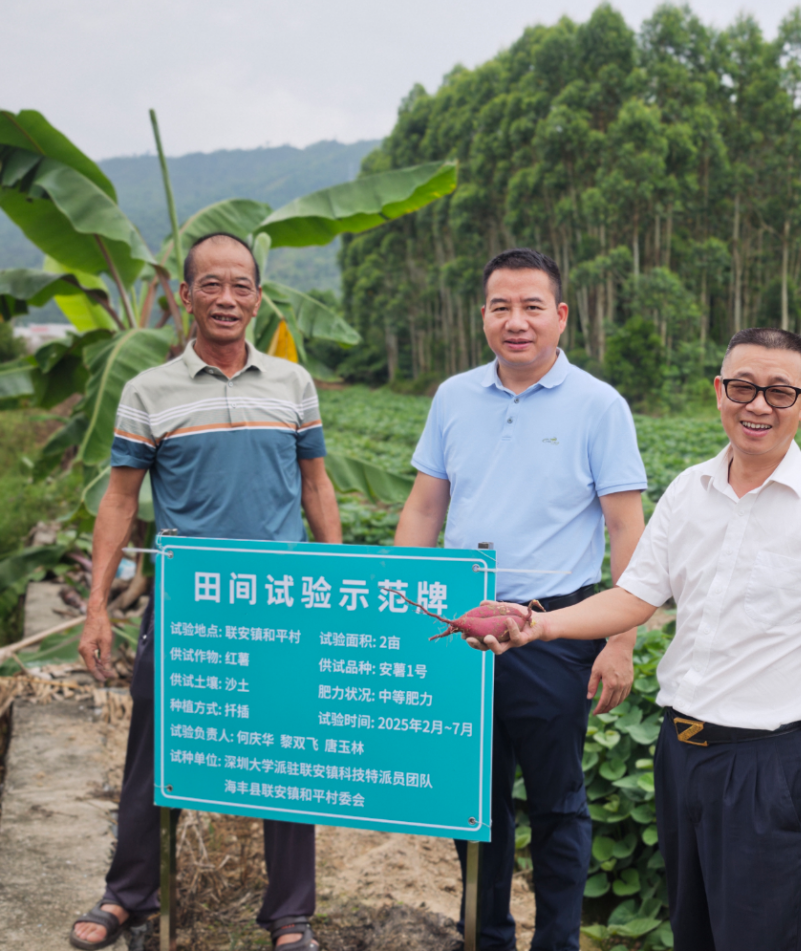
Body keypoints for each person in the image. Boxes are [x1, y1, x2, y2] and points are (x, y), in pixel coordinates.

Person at [465, 327, 801, 951]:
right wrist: (542, 623)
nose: (758, 406)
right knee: (693, 933)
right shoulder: (688, 491)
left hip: (766, 768)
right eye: (743, 387)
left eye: (779, 392)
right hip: (680, 754)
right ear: (718, 391)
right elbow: (635, 597)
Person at [71, 232, 342, 951]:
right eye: (211, 285)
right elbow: (120, 502)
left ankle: (289, 913)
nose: (227, 299)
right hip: (193, 605)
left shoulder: (292, 384)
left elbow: (316, 484)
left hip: (282, 601)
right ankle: (130, 892)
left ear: (258, 296)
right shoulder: (148, 392)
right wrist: (98, 605)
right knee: (155, 748)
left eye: (241, 286)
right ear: (185, 297)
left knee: (288, 751)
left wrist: (340, 575)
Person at [394, 248, 646, 951]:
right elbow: (422, 510)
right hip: (461, 625)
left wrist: (620, 640)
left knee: (557, 801)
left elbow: (628, 525)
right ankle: (487, 936)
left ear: (560, 316)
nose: (516, 321)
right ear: (483, 316)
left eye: (532, 306)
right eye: (501, 306)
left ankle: (556, 940)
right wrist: (408, 612)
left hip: (553, 627)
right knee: (471, 801)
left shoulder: (598, 404)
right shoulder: (453, 396)